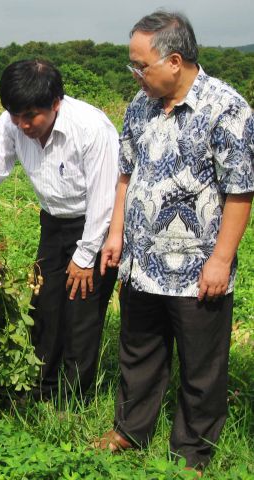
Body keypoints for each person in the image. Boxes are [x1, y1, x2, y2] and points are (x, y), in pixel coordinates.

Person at [97, 11, 254, 473]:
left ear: (174, 60)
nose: (135, 74)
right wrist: (116, 233)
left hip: (197, 267)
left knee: (202, 365)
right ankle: (130, 430)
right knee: (139, 350)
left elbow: (241, 191)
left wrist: (221, 260)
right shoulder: (140, 105)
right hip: (142, 261)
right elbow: (127, 173)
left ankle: (192, 450)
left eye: (140, 65)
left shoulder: (226, 108)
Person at [0, 60, 119, 402]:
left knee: (81, 311)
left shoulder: (90, 127)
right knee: (44, 306)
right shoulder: (12, 123)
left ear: (56, 103)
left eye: (31, 115)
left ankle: (73, 399)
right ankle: (40, 388)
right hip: (53, 222)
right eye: (15, 114)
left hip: (97, 225)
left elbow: (104, 198)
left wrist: (84, 256)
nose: (23, 124)